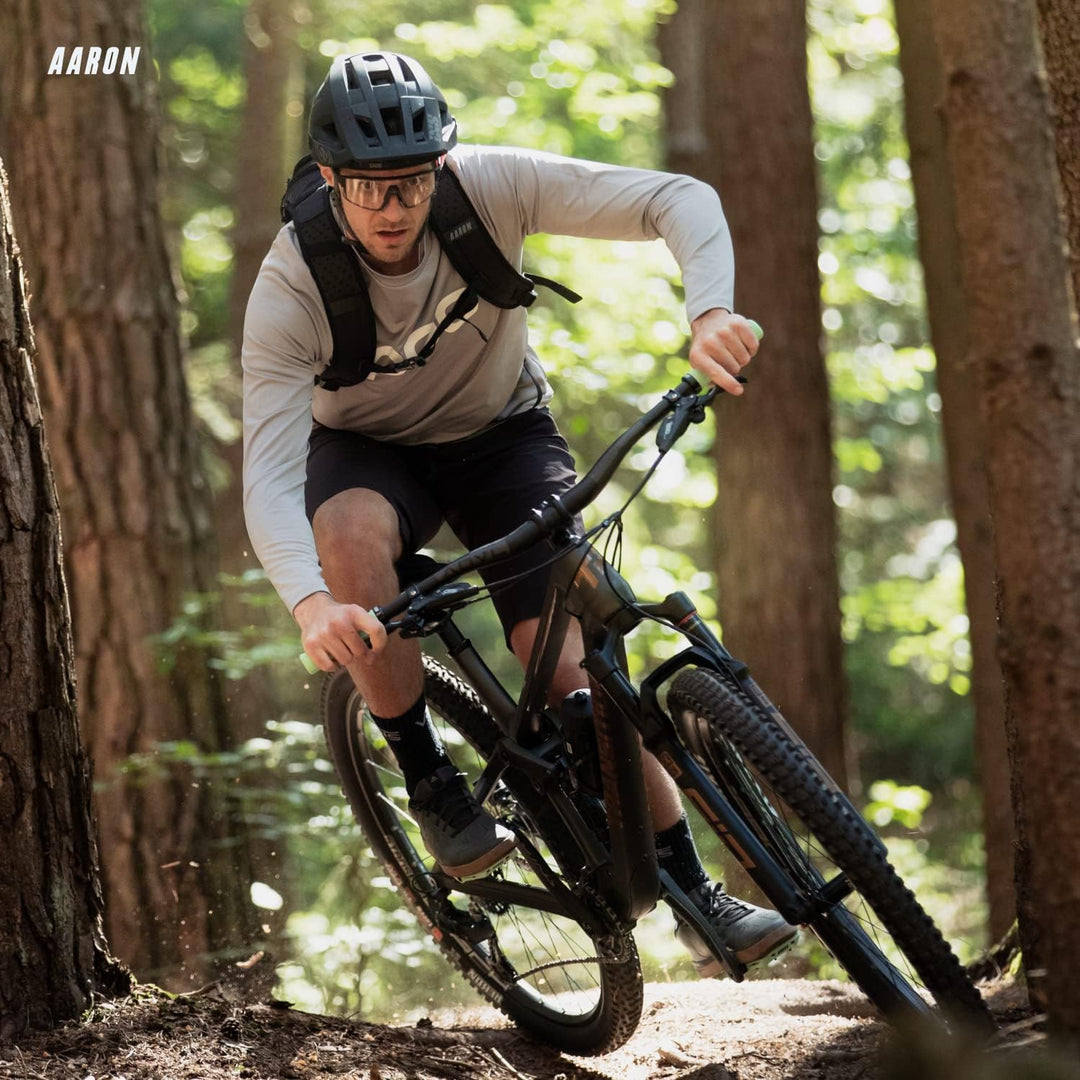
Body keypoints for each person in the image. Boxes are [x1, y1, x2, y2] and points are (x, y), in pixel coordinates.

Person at [242, 50, 797, 976]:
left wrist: (709, 312)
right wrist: (310, 605)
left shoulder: (490, 187)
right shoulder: (292, 283)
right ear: (331, 178)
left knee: (573, 675)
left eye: (412, 182)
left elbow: (677, 199)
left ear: (440, 167)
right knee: (343, 543)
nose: (395, 208)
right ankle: (430, 782)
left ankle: (694, 894)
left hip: (504, 435)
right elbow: (266, 470)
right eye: (372, 187)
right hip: (368, 456)